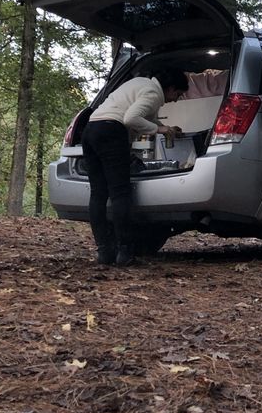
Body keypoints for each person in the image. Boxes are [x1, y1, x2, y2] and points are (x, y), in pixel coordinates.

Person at [81, 68, 189, 266]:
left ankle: (104, 252)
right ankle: (125, 253)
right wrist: (160, 129)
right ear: (171, 87)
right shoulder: (154, 93)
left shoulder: (142, 83)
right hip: (111, 133)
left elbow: (142, 116)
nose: (176, 99)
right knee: (120, 193)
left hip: (91, 130)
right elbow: (130, 118)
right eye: (178, 94)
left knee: (98, 193)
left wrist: (166, 128)